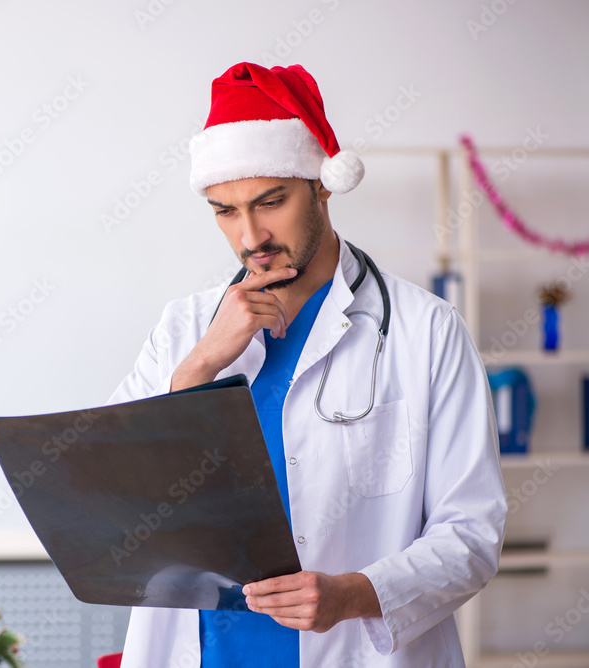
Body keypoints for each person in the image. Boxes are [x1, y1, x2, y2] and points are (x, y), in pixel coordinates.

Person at [104, 62, 507, 667]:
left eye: (271, 201)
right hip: (203, 652)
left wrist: (354, 594)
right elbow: (110, 493)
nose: (250, 236)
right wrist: (198, 368)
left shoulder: (425, 331)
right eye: (225, 210)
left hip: (353, 649)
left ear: (321, 184)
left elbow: (471, 534)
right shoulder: (183, 330)